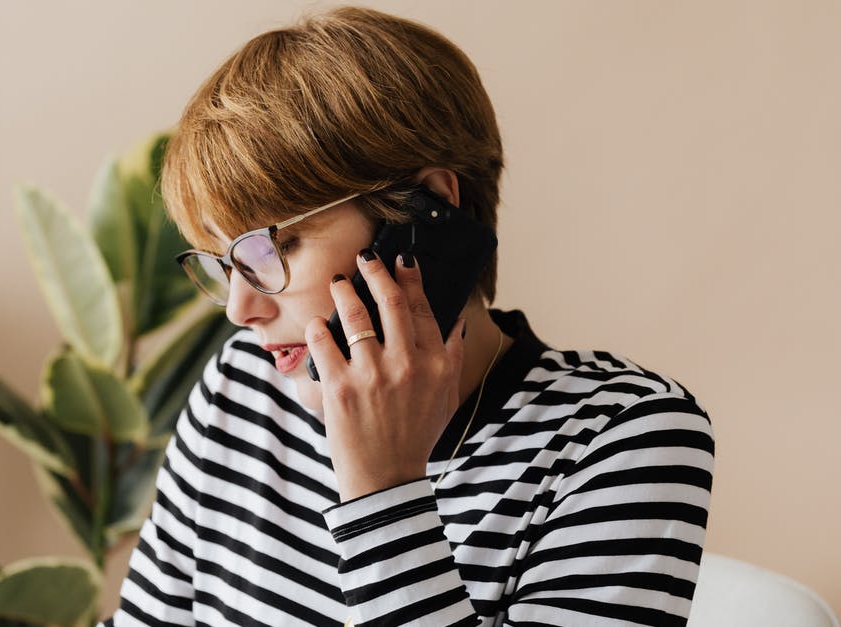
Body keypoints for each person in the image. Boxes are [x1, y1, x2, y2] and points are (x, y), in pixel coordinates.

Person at [107, 7, 714, 626]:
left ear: (426, 212)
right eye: (224, 261)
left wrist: (382, 487)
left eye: (274, 248)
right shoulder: (242, 386)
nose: (240, 309)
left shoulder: (623, 439)